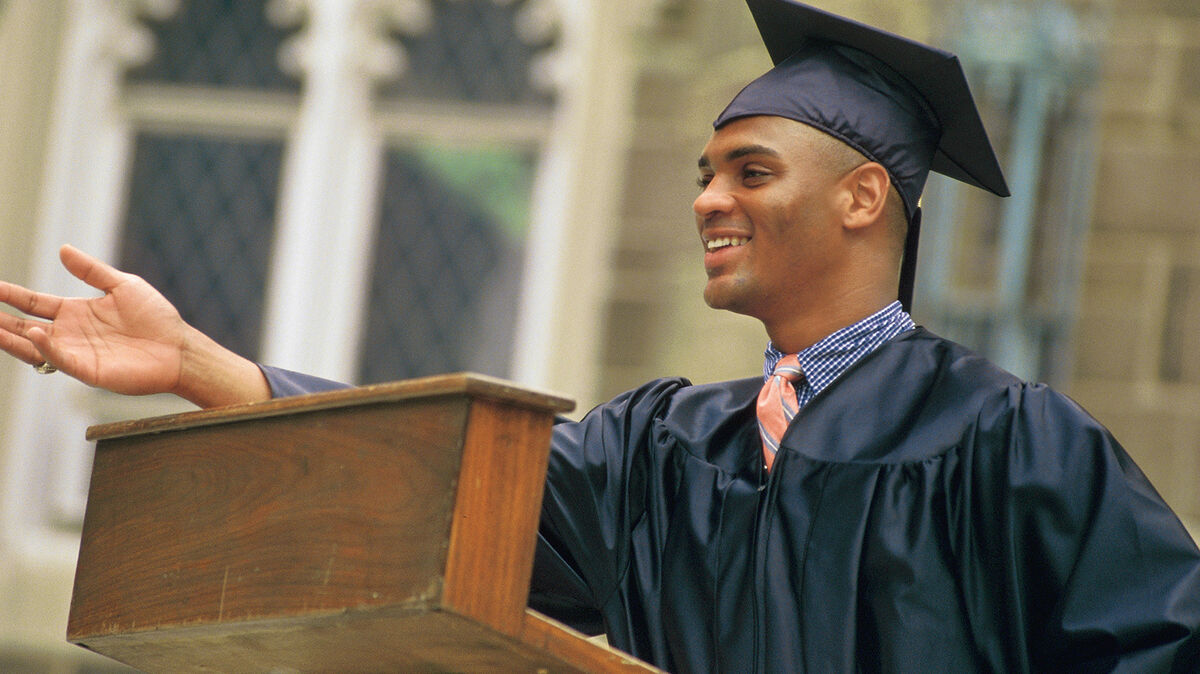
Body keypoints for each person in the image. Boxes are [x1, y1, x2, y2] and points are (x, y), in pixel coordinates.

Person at [2, 0, 1198, 671]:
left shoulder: (1008, 440)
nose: (706, 200)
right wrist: (204, 366)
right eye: (702, 172)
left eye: (748, 170)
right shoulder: (659, 446)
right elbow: (445, 481)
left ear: (862, 197)